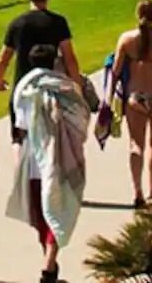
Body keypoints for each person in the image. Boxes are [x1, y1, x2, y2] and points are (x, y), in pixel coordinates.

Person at [7, 44, 90, 283]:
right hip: (63, 160)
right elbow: (80, 118)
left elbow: (20, 127)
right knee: (59, 211)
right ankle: (49, 265)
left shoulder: (24, 90)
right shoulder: (66, 88)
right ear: (54, 62)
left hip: (34, 161)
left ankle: (49, 264)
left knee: (43, 216)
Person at [106, 0, 152, 207]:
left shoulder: (127, 40)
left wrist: (108, 99)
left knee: (136, 144)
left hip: (136, 97)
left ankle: (137, 190)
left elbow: (116, 72)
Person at [0, 0, 81, 140]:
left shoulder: (17, 24)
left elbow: (3, 60)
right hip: (51, 87)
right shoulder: (58, 22)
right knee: (52, 139)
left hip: (23, 87)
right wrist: (77, 86)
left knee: (19, 140)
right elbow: (70, 58)